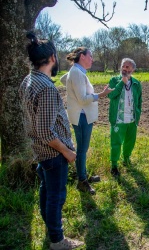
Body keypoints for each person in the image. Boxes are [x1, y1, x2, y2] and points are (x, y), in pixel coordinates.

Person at [19, 32, 84, 249]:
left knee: (46, 191)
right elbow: (45, 132)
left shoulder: (28, 81)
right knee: (56, 197)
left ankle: (51, 224)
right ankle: (57, 240)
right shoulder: (46, 88)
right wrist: (67, 152)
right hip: (53, 153)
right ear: (53, 58)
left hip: (40, 152)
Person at [60, 47, 112, 195]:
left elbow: (64, 79)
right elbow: (83, 100)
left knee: (83, 148)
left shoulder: (76, 71)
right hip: (81, 116)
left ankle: (84, 175)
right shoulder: (76, 72)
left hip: (83, 116)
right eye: (90, 56)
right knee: (82, 150)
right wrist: (101, 95)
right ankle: (82, 181)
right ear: (82, 56)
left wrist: (72, 86)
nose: (92, 59)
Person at [107, 58, 142, 177]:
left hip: (132, 119)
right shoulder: (114, 80)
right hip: (118, 119)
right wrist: (122, 82)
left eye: (128, 67)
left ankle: (126, 159)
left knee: (129, 142)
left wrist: (138, 115)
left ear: (133, 69)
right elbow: (111, 95)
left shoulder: (136, 83)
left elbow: (139, 102)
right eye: (123, 66)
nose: (125, 69)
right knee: (116, 142)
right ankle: (114, 165)